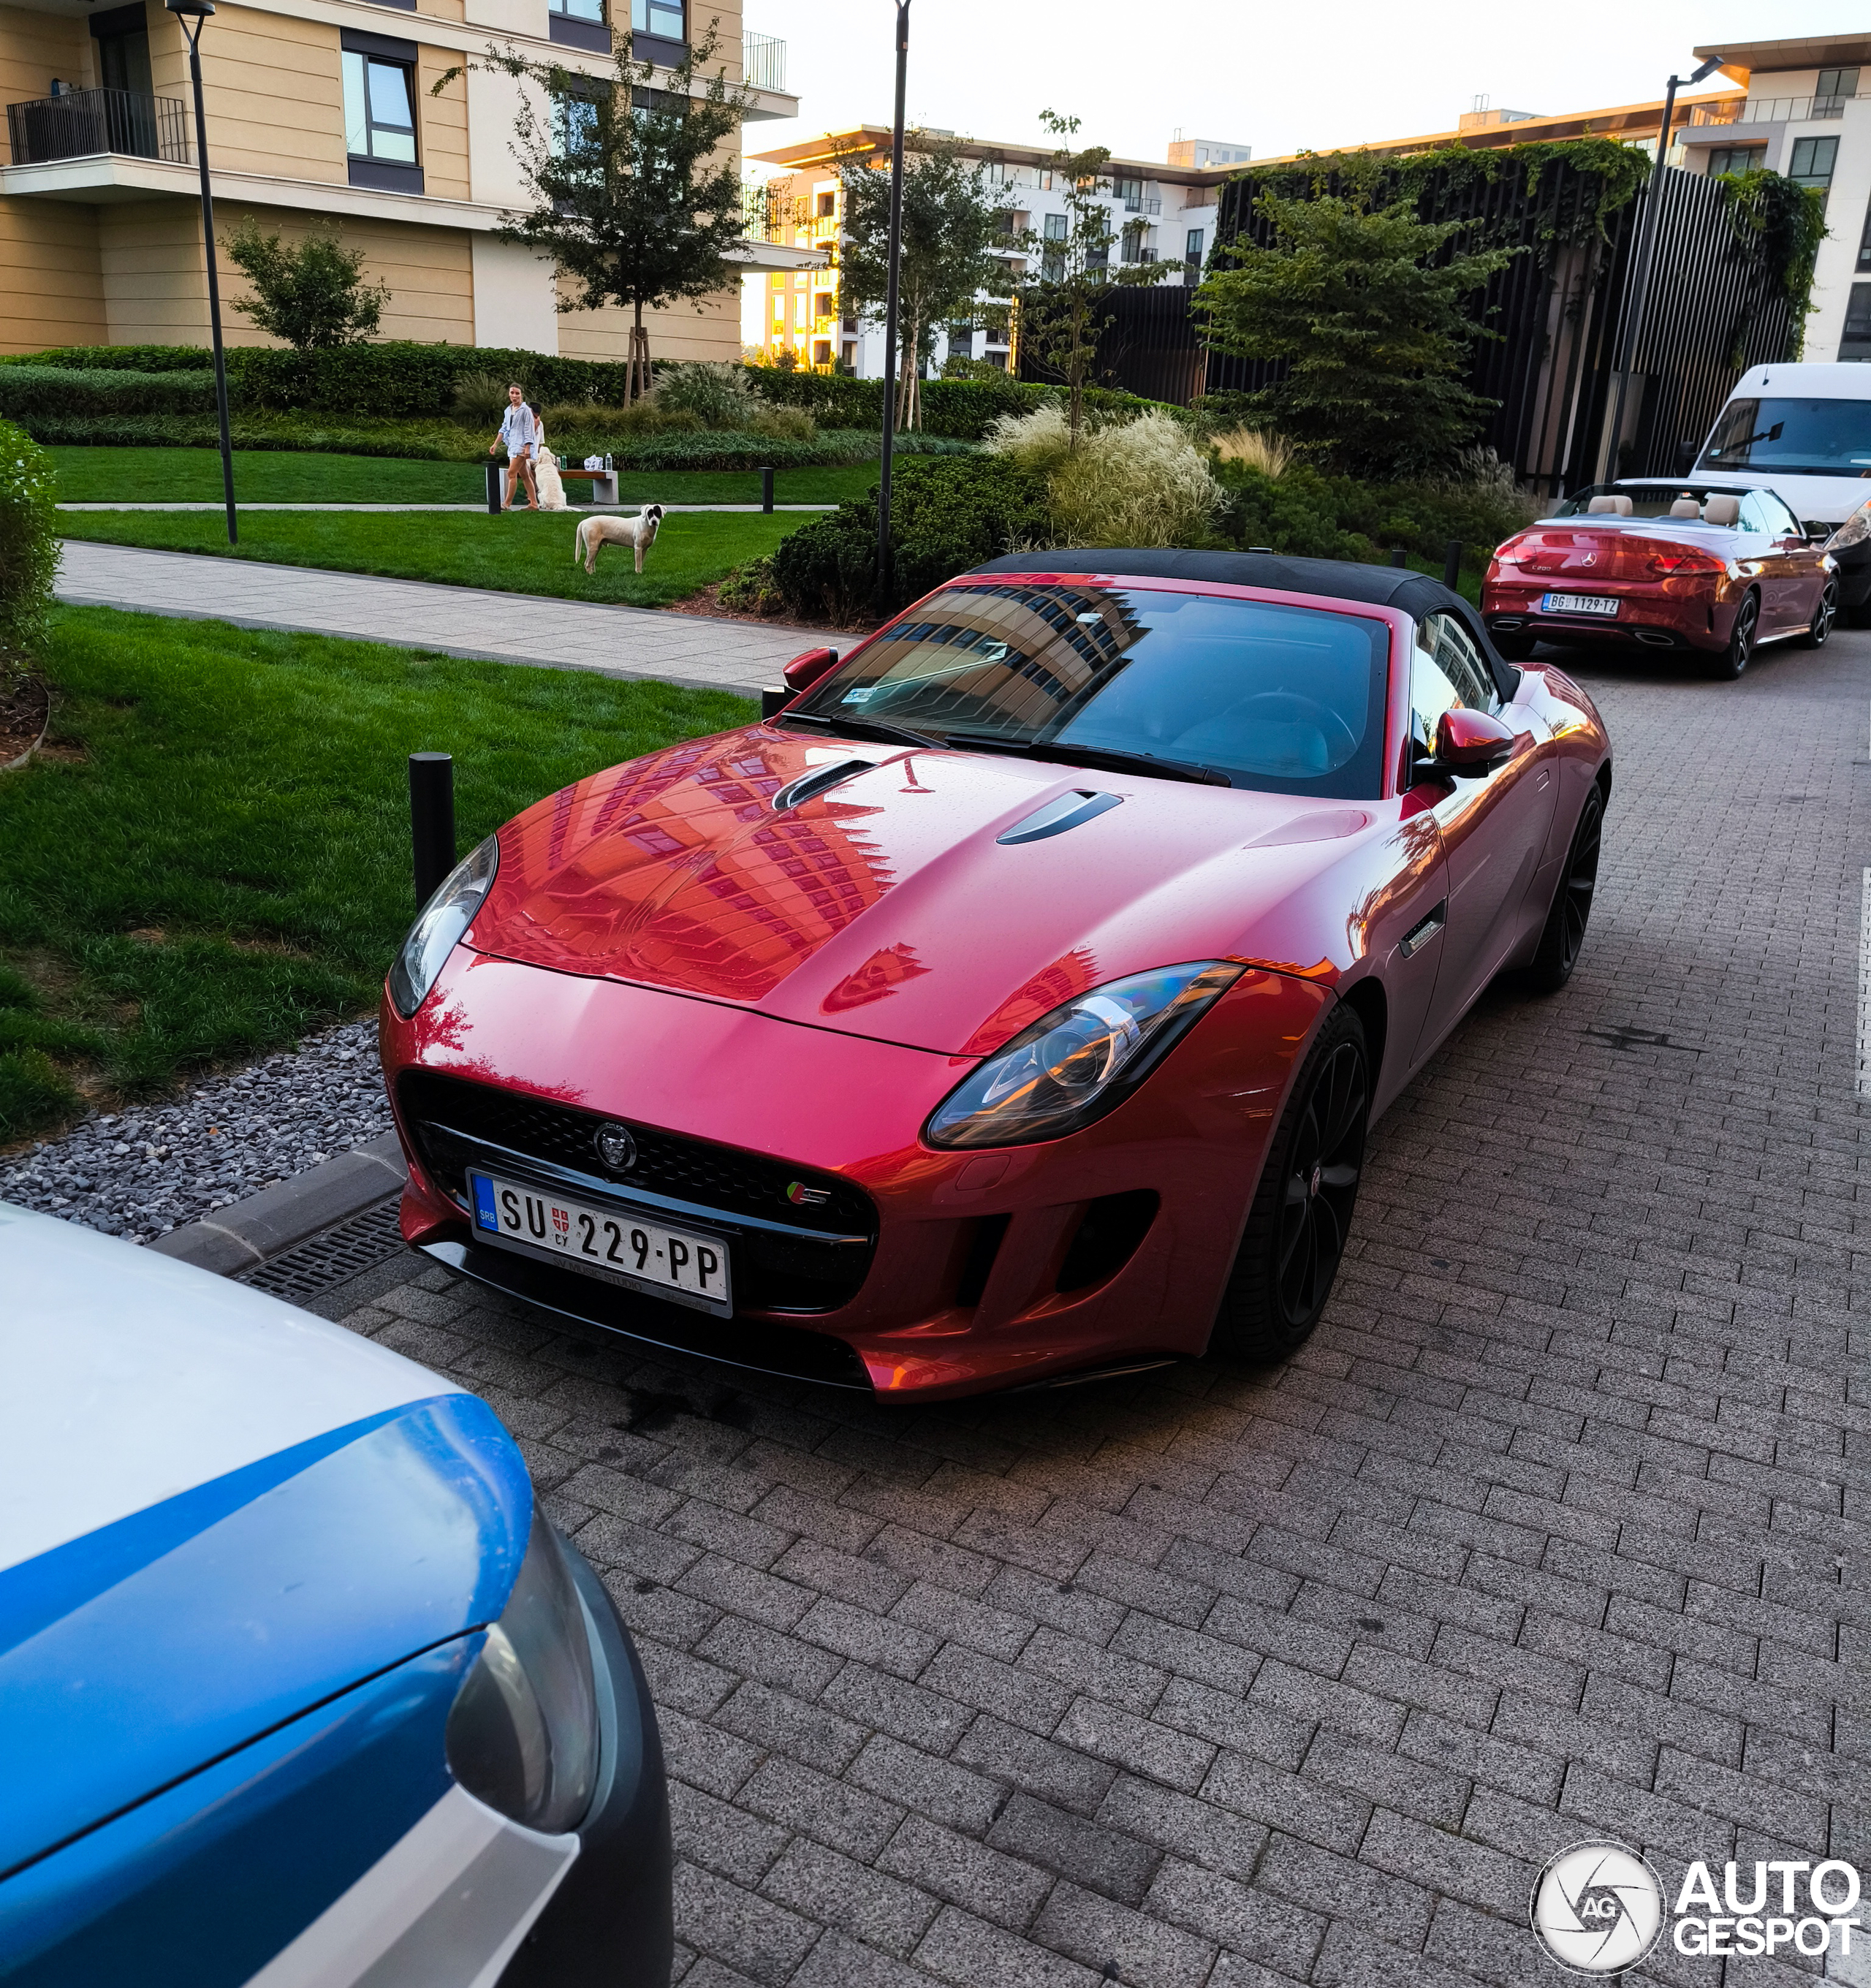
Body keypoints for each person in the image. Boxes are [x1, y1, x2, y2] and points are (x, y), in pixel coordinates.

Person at [490, 384, 539, 511]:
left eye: (517, 393)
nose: (514, 396)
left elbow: (529, 430)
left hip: (521, 447)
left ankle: (506, 504)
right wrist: (495, 444)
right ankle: (534, 504)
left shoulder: (525, 410)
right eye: (512, 393)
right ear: (509, 394)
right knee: (525, 475)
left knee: (511, 473)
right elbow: (504, 428)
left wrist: (528, 448)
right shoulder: (508, 410)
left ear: (521, 395)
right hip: (513, 445)